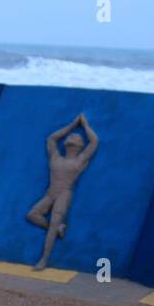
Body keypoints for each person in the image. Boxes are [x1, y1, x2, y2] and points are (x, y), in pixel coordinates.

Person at [25, 113, 99, 270]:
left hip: (64, 194)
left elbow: (94, 142)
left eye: (77, 137)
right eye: (71, 135)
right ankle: (58, 228)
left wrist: (85, 125)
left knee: (54, 221)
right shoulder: (56, 157)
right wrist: (72, 125)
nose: (73, 136)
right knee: (32, 215)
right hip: (50, 193)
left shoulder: (80, 160)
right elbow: (52, 138)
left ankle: (44, 259)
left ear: (80, 146)